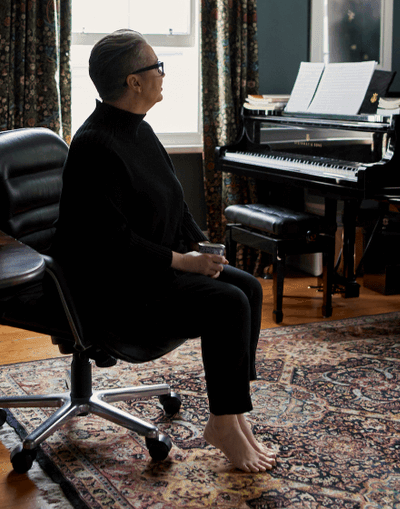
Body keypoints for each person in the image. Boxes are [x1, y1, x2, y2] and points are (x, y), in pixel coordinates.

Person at [51, 29, 277, 472]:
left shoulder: (139, 130)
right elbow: (113, 243)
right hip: (117, 286)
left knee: (247, 288)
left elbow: (175, 205)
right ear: (134, 82)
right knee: (227, 303)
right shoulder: (95, 145)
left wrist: (202, 248)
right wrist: (185, 262)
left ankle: (234, 412)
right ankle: (222, 423)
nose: (162, 73)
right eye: (157, 66)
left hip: (151, 268)